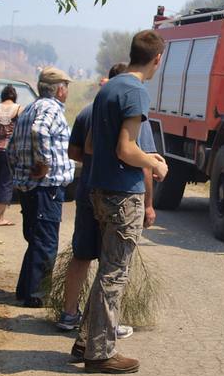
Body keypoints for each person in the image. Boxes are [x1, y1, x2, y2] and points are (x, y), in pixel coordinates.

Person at [76, 30, 167, 374]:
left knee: (105, 271)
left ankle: (86, 340)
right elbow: (125, 149)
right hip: (122, 195)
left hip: (99, 189)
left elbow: (100, 145)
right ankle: (100, 353)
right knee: (114, 275)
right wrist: (155, 163)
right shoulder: (135, 92)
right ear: (157, 58)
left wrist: (146, 155)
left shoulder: (109, 89)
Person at [59, 62, 156, 335]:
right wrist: (148, 204)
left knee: (81, 254)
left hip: (90, 189)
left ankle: (69, 316)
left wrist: (97, 160)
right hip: (118, 194)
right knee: (111, 266)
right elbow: (143, 162)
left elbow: (77, 150)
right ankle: (102, 330)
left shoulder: (90, 110)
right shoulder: (132, 109)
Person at [8, 68, 74, 306]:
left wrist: (21, 171)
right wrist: (44, 164)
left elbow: (11, 148)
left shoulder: (30, 109)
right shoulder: (50, 108)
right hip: (47, 186)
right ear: (59, 89)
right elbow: (40, 130)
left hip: (32, 186)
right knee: (46, 242)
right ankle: (37, 295)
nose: (67, 91)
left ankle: (25, 290)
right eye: (66, 86)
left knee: (37, 239)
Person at [0, 85, 22, 226]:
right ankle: (0, 218)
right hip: (10, 150)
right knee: (6, 182)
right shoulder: (19, 109)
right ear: (14, 96)